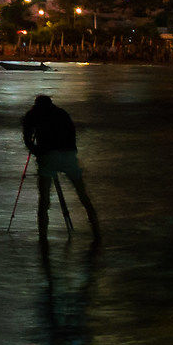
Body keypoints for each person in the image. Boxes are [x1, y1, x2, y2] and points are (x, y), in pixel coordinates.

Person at [21, 94, 100, 238]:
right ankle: (96, 230)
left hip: (48, 156)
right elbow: (72, 135)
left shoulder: (33, 115)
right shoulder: (62, 113)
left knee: (44, 200)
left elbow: (27, 139)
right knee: (82, 195)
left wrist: (37, 152)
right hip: (68, 155)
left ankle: (43, 237)